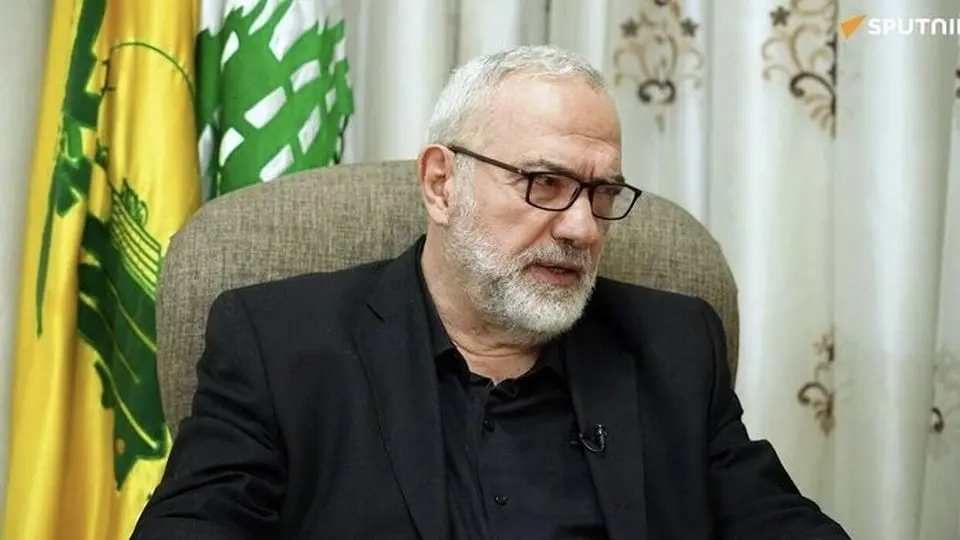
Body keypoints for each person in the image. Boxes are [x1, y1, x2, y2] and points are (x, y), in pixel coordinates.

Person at [131, 45, 849, 539]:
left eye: (601, 192)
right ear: (442, 184)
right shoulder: (279, 344)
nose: (581, 228)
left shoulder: (673, 346)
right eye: (545, 183)